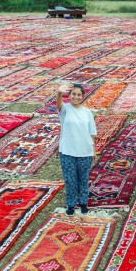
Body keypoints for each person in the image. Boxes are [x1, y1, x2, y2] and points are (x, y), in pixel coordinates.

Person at [56, 83, 97, 215]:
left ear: (83, 96)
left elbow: (92, 133)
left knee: (83, 178)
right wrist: (59, 92)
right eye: (73, 94)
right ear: (69, 95)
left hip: (85, 151)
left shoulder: (87, 113)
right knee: (70, 179)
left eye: (79, 95)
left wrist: (94, 150)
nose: (76, 97)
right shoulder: (65, 110)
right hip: (67, 151)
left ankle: (84, 202)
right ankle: (71, 205)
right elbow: (58, 105)